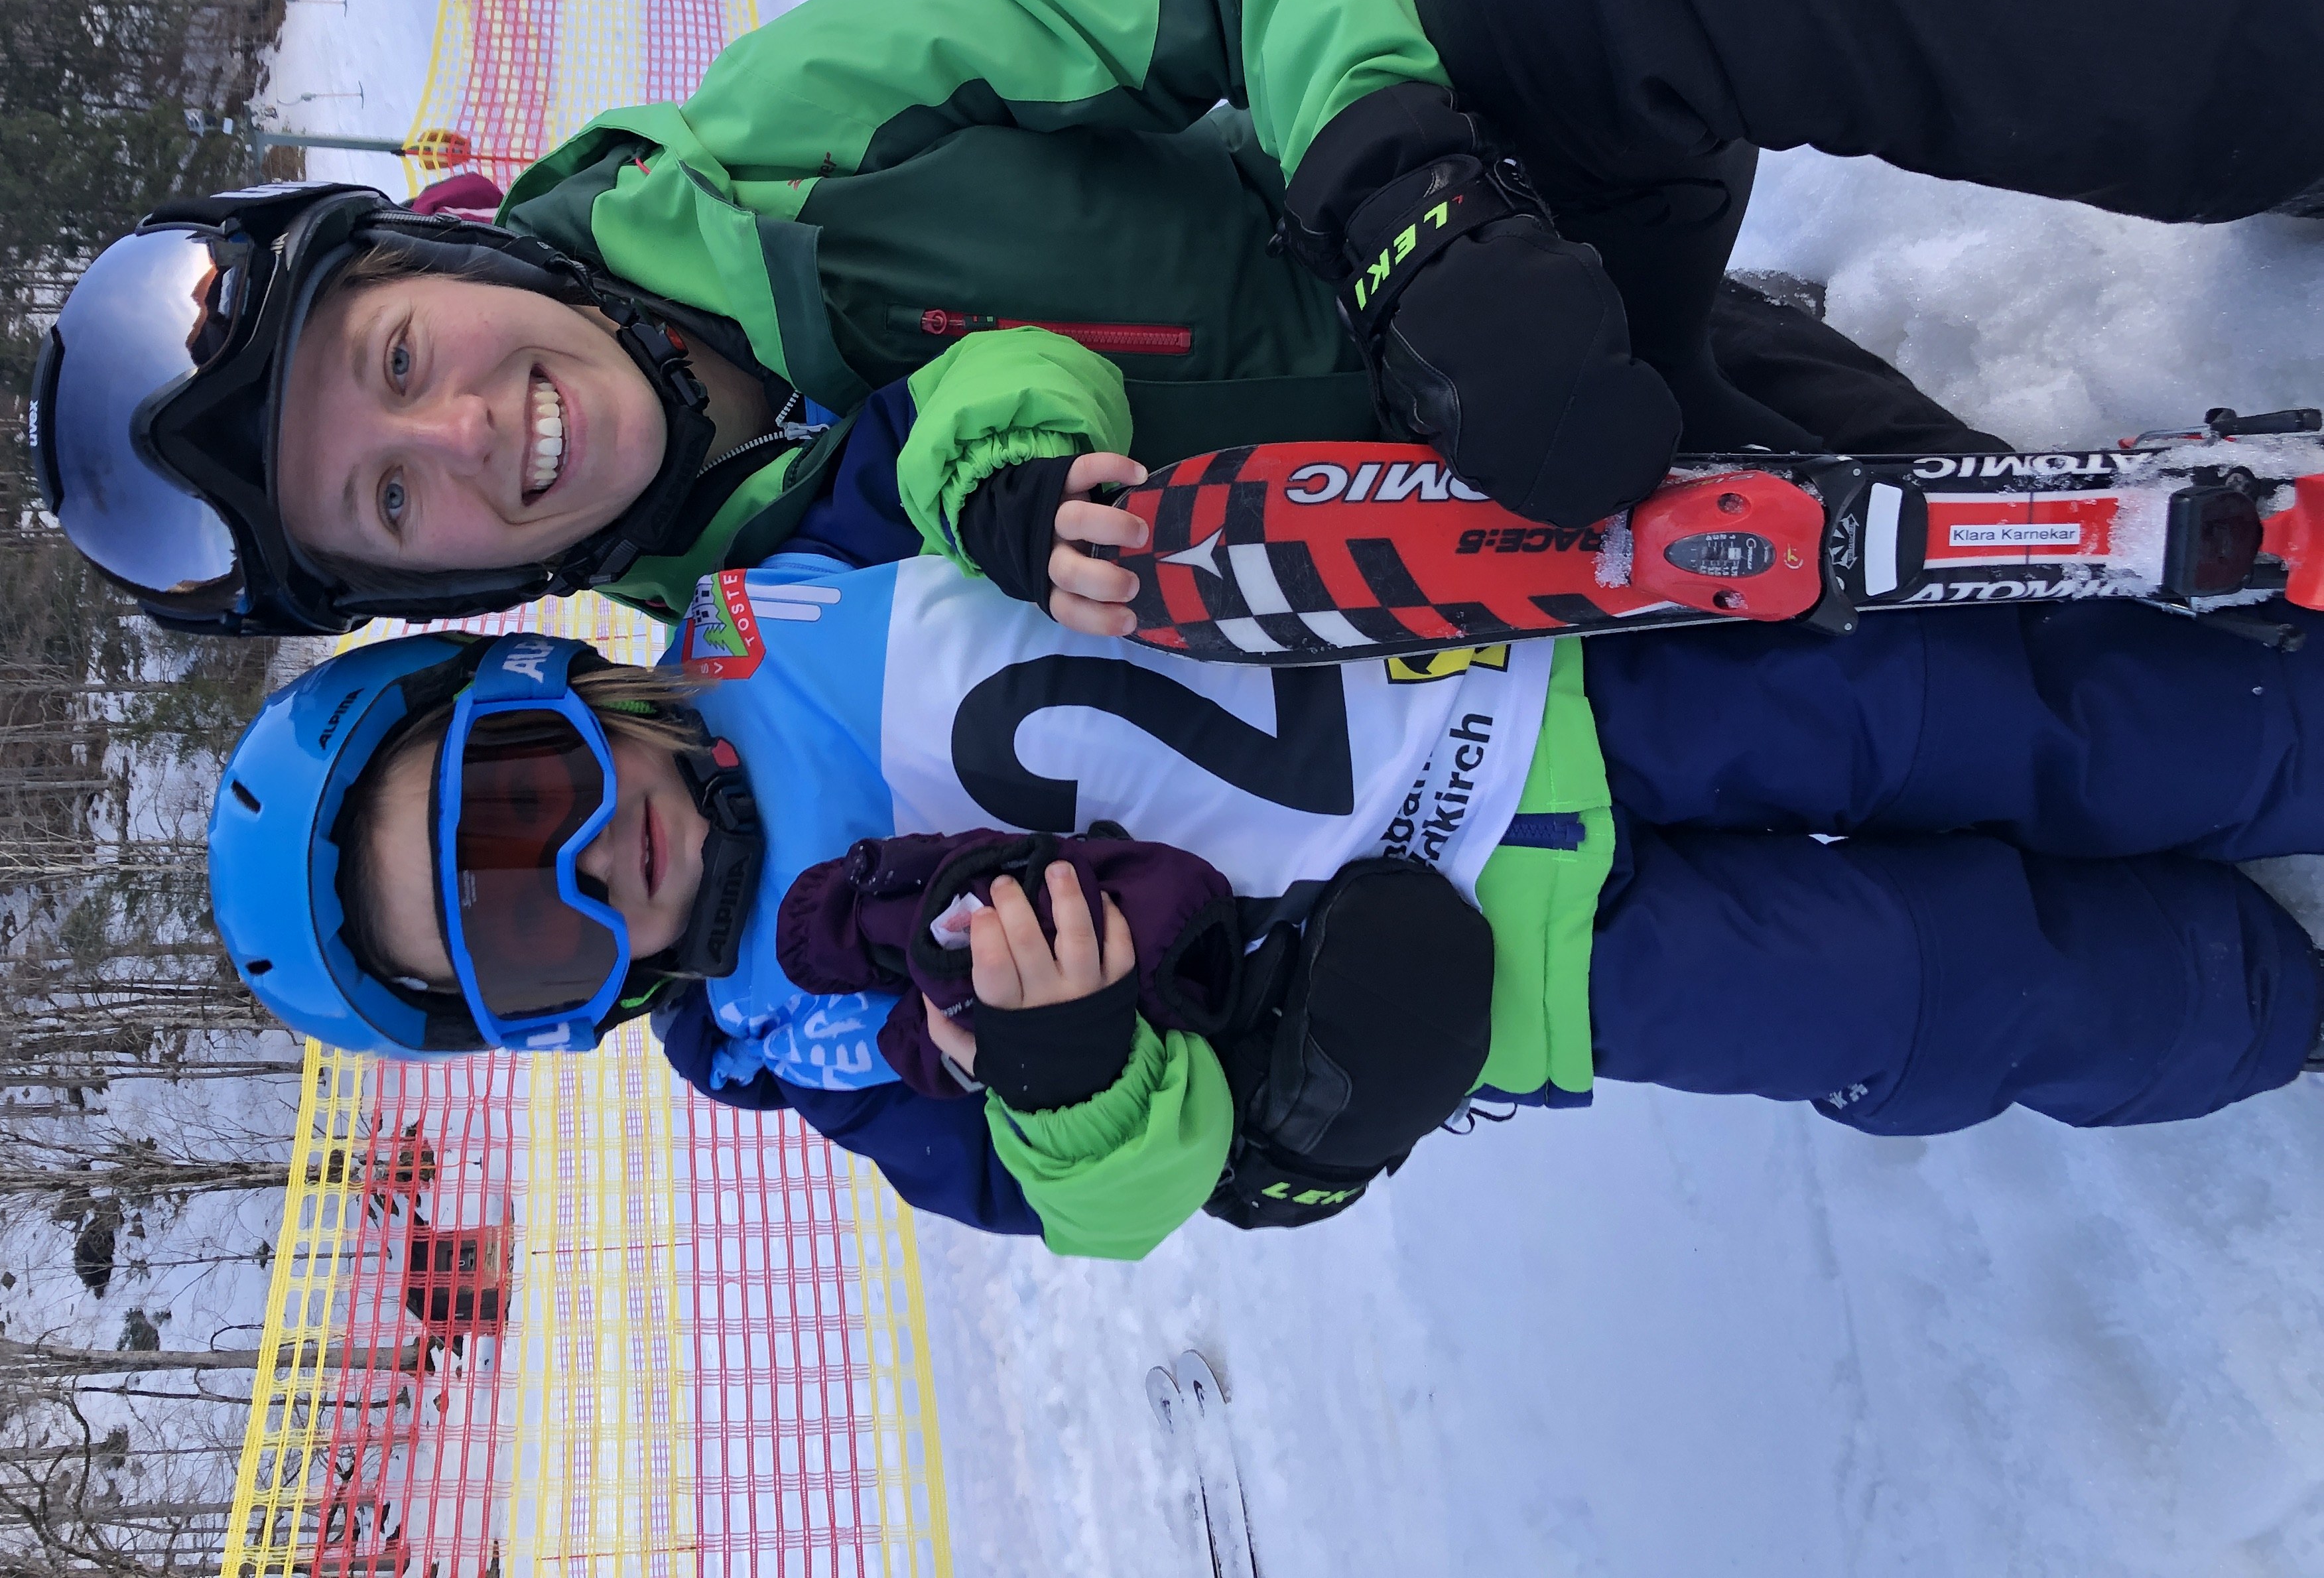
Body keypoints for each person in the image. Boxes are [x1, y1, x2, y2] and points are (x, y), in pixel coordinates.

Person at [24, 0, 2324, 639]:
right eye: (392, 500)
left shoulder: (794, 129)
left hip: (1497, 262)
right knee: (2039, 646)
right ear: (426, 585)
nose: (467, 429)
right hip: (1526, 622)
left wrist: (1408, 202)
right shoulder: (769, 696)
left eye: (394, 357)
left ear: (431, 247)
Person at [208, 551, 2324, 1261]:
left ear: (550, 684)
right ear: (561, 1016)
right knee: (1915, 996)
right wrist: (1072, 1081)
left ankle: (2285, 733)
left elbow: (980, 400)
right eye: (534, 932)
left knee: (1968, 708)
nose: (596, 862)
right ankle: (2263, 999)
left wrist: (1018, 446)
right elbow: (1104, 1204)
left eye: (525, 796)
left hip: (1534, 673)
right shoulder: (823, 1044)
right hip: (1503, 970)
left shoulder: (782, 578)